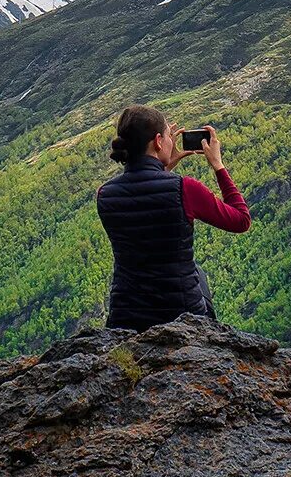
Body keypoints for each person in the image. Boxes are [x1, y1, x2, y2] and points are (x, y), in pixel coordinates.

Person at [96, 104, 251, 331]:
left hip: (126, 317)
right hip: (182, 315)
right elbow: (241, 220)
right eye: (170, 135)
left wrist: (164, 165)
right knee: (198, 273)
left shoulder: (105, 194)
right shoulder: (185, 188)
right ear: (158, 141)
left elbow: (143, 200)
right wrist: (217, 165)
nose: (172, 141)